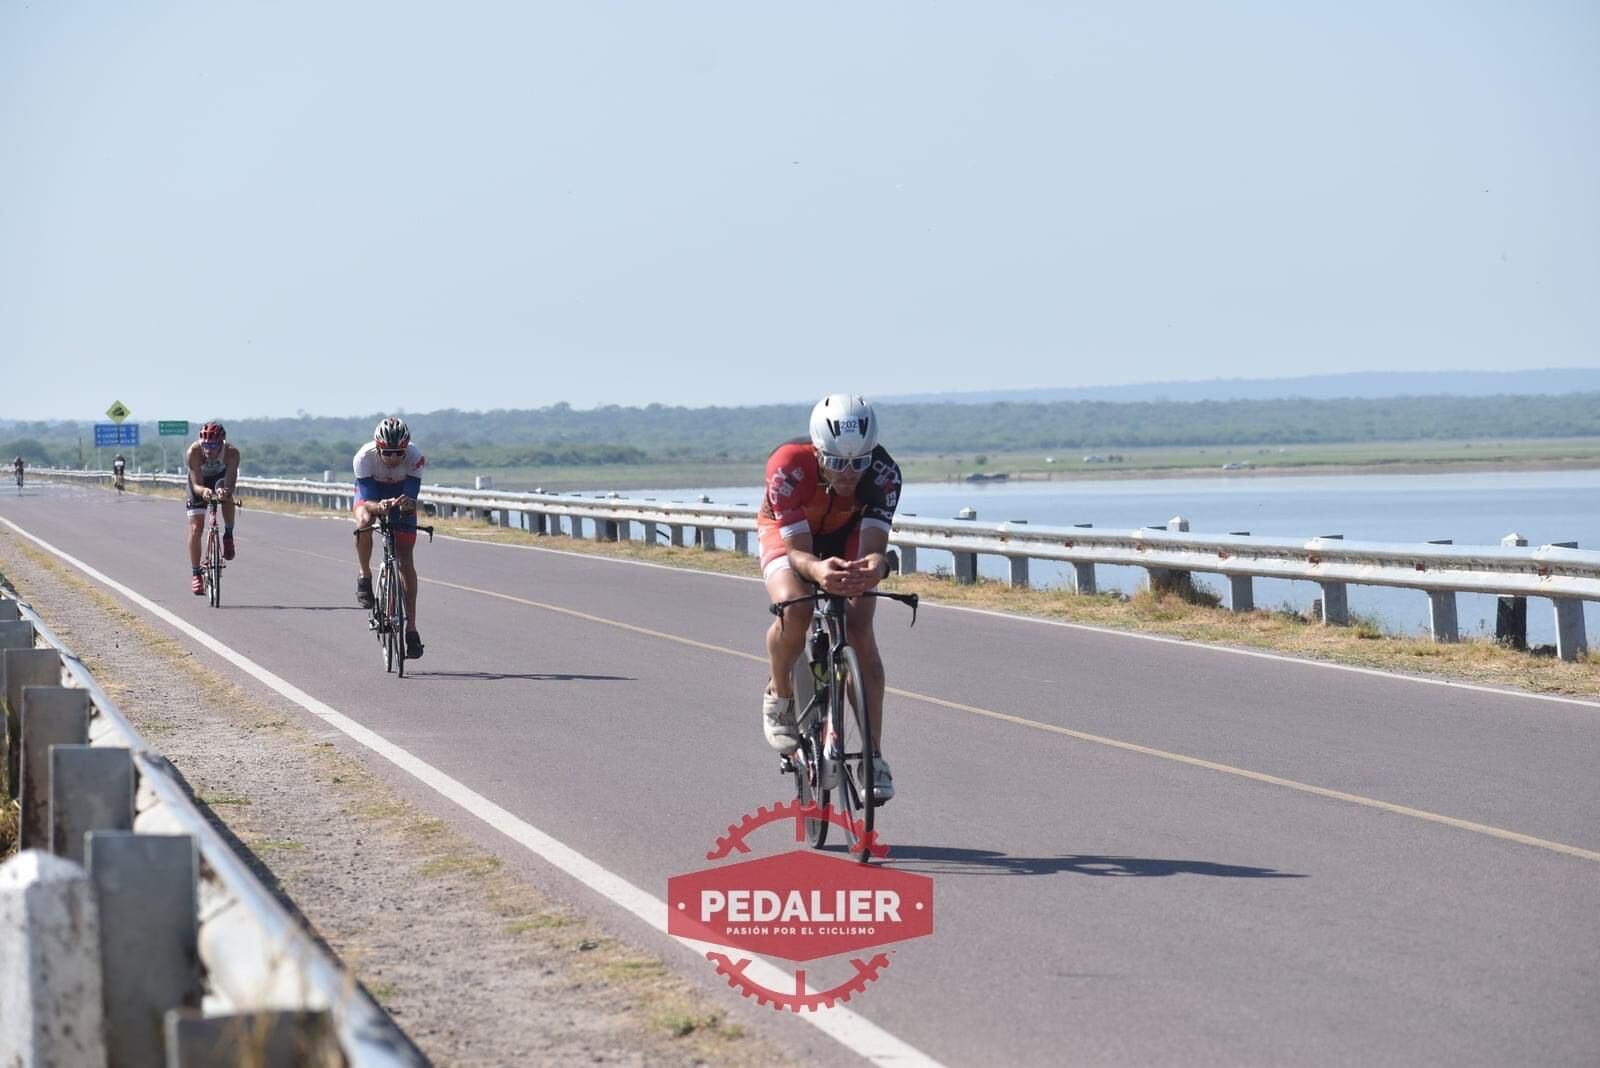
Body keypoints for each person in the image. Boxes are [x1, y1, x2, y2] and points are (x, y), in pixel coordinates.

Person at [757, 394, 902, 802]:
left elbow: (874, 546)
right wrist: (819, 571)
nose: (849, 474)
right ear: (818, 451)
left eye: (859, 463)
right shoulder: (787, 468)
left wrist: (874, 566)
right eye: (838, 462)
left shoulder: (884, 474)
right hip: (788, 535)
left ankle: (873, 756)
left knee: (859, 626)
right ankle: (780, 692)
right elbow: (798, 553)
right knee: (795, 607)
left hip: (846, 531)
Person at [353, 417, 427, 660]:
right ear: (377, 447)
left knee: (406, 560)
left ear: (406, 448)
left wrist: (405, 504)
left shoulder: (415, 457)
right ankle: (364, 574)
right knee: (364, 521)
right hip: (373, 496)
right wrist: (379, 506)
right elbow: (367, 499)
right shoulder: (364, 458)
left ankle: (412, 628)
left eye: (399, 452)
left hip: (401, 498)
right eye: (387, 452)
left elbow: (411, 498)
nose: (394, 458)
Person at [184, 422, 241, 594]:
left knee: (228, 498)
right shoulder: (194, 452)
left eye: (213, 445)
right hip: (199, 483)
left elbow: (230, 484)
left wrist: (224, 491)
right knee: (196, 528)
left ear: (222, 443)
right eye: (205, 445)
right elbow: (196, 485)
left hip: (219, 479)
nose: (208, 450)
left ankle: (228, 535)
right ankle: (196, 574)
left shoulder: (231, 453)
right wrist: (204, 491)